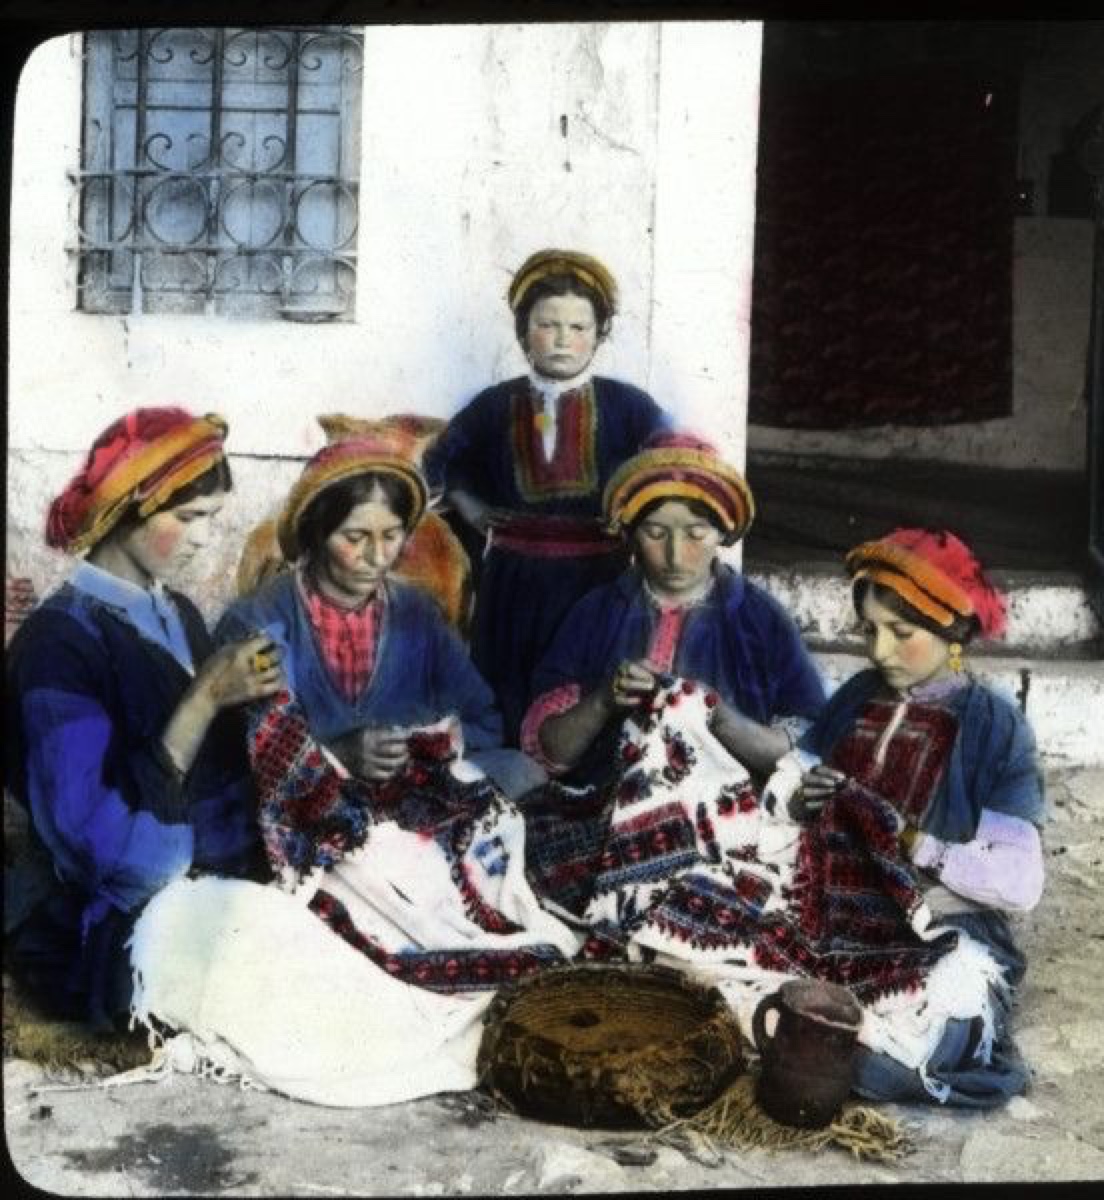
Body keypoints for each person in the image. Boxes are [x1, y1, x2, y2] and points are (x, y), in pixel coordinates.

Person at [214, 434, 578, 991]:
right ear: (315, 531)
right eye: (354, 537)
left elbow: (482, 717)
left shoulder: (416, 613)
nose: (377, 557)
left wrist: (426, 749)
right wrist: (338, 753)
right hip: (319, 816)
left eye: (391, 537)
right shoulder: (259, 622)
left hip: (417, 803)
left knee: (522, 772)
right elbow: (240, 760)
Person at [5, 407, 280, 1031]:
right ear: (126, 510)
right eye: (188, 517)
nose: (204, 539)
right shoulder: (57, 646)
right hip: (122, 923)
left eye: (213, 519)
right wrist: (202, 700)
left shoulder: (177, 611)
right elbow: (107, 853)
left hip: (220, 878)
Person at [796, 527, 1046, 1108]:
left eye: (901, 633)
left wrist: (916, 842)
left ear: (950, 633)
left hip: (938, 925)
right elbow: (797, 778)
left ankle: (870, 1053)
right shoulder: (858, 696)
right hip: (832, 912)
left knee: (941, 1020)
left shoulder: (993, 727)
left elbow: (1020, 881)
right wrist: (804, 797)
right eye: (870, 631)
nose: (880, 652)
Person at [424, 248, 671, 738]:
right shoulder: (495, 405)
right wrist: (469, 504)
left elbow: (671, 468)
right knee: (508, 691)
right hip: (512, 580)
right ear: (522, 333)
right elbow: (440, 460)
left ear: (600, 334)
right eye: (547, 325)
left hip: (599, 579)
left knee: (587, 684)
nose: (562, 339)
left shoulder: (629, 407)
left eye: (578, 327)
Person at [521, 431, 825, 789]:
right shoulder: (595, 613)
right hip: (605, 802)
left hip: (728, 807)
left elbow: (804, 754)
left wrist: (719, 716)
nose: (675, 556)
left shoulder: (762, 620)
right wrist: (603, 700)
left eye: (696, 533)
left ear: (723, 532)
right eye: (655, 533)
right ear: (631, 533)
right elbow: (550, 751)